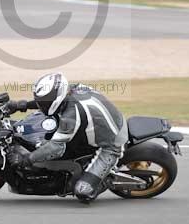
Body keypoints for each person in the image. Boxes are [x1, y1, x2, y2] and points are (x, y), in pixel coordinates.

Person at [8, 72, 128, 203]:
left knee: (82, 191)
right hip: (103, 123)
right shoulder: (71, 89)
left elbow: (56, 148)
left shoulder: (71, 116)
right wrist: (23, 105)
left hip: (111, 144)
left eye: (42, 102)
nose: (40, 105)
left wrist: (26, 160)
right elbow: (48, 103)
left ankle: (105, 179)